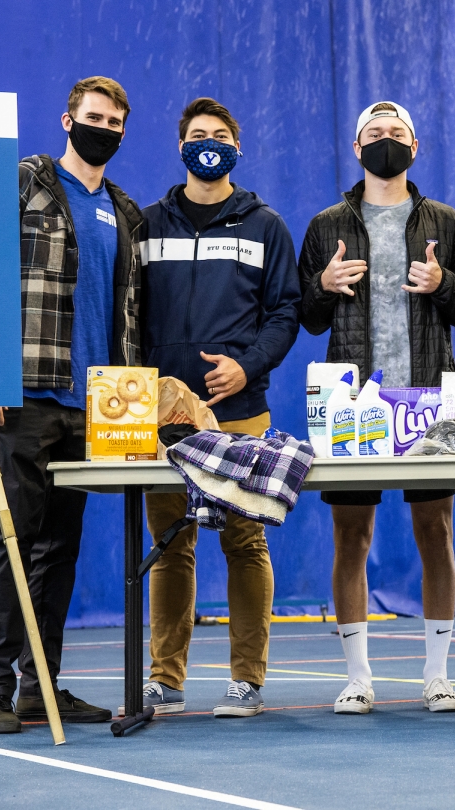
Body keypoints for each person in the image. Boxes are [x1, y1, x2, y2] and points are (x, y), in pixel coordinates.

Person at [0, 76, 141, 734]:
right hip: (23, 398)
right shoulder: (27, 182)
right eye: (95, 117)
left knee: (60, 550)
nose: (106, 128)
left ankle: (38, 686)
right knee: (10, 543)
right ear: (68, 120)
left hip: (92, 407)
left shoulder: (126, 211)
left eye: (116, 122)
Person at [298, 101, 455, 715]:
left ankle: (437, 674)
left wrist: (443, 285)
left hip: (430, 397)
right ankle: (357, 676)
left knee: (437, 531)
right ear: (356, 148)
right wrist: (321, 286)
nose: (385, 141)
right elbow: (307, 314)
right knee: (352, 536)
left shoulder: (445, 221)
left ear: (415, 146)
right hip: (354, 401)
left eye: (396, 134)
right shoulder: (326, 223)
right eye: (374, 134)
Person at [137, 97, 301, 719]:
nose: (210, 143)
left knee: (244, 540)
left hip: (240, 414)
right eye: (199, 135)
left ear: (238, 148)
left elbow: (285, 313)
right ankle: (165, 679)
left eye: (222, 135)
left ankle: (246, 681)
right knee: (170, 546)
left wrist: (247, 365)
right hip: (160, 419)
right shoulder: (146, 225)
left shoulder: (267, 226)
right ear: (181, 147)